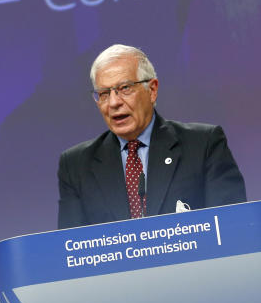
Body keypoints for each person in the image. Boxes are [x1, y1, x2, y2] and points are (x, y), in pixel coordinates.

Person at [57, 44, 246, 229]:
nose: (113, 103)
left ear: (152, 90)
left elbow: (232, 228)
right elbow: (70, 250)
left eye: (124, 88)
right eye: (104, 94)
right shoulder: (76, 166)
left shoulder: (204, 145)